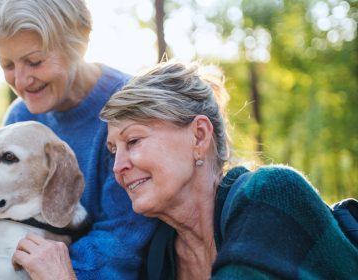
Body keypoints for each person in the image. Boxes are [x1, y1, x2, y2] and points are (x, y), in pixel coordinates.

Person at [99, 61, 358, 278]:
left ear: (199, 137)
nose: (117, 167)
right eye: (113, 151)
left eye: (133, 141)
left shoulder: (273, 194)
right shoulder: (157, 255)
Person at [0, 0, 160, 280]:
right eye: (7, 64)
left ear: (78, 43)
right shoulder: (20, 118)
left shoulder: (129, 109)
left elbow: (123, 237)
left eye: (35, 61)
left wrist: (33, 272)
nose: (22, 81)